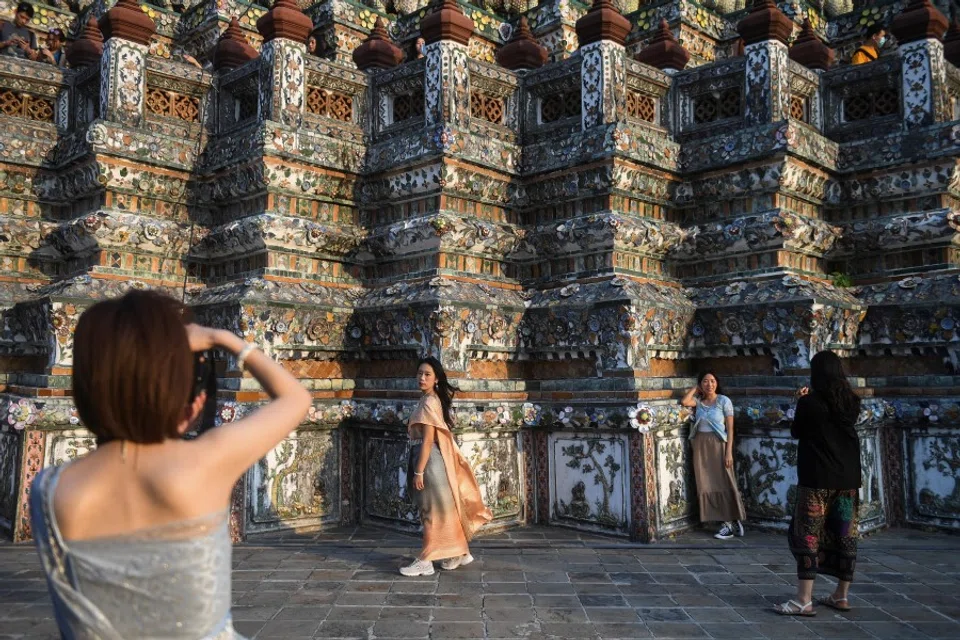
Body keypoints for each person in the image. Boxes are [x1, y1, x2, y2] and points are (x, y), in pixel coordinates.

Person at [29, 290, 311, 638]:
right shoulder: (206, 463)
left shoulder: (49, 490)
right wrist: (224, 339)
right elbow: (296, 398)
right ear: (184, 398)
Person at [776, 350, 862, 617]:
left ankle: (804, 599)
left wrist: (799, 401)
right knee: (845, 534)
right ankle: (841, 595)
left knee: (808, 535)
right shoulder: (852, 401)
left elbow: (797, 431)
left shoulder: (810, 402)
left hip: (817, 477)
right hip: (847, 478)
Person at [400, 356, 492, 576]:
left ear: (436, 379)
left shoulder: (430, 401)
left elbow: (428, 440)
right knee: (439, 510)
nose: (421, 378)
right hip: (429, 459)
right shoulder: (429, 399)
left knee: (431, 511)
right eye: (419, 373)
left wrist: (419, 471)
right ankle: (459, 552)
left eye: (427, 374)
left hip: (428, 461)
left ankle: (425, 560)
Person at [681, 372, 746, 540]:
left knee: (724, 480)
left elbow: (730, 429)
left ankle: (729, 522)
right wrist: (695, 388)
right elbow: (684, 401)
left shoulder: (724, 401)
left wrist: (728, 451)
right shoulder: (699, 403)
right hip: (700, 445)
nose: (709, 384)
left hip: (718, 444)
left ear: (717, 383)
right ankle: (722, 520)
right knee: (706, 482)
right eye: (705, 381)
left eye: (712, 381)